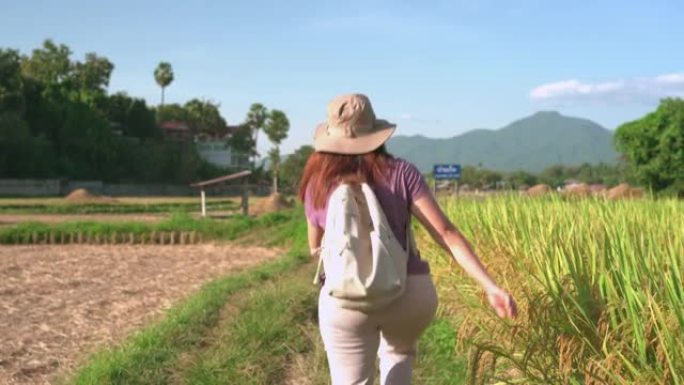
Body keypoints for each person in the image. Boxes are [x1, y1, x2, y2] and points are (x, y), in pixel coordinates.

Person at [298, 93, 517, 385]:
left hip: (346, 299)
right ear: (376, 133)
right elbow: (446, 233)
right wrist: (491, 287)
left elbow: (315, 245)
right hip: (408, 292)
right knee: (399, 353)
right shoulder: (402, 173)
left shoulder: (317, 182)